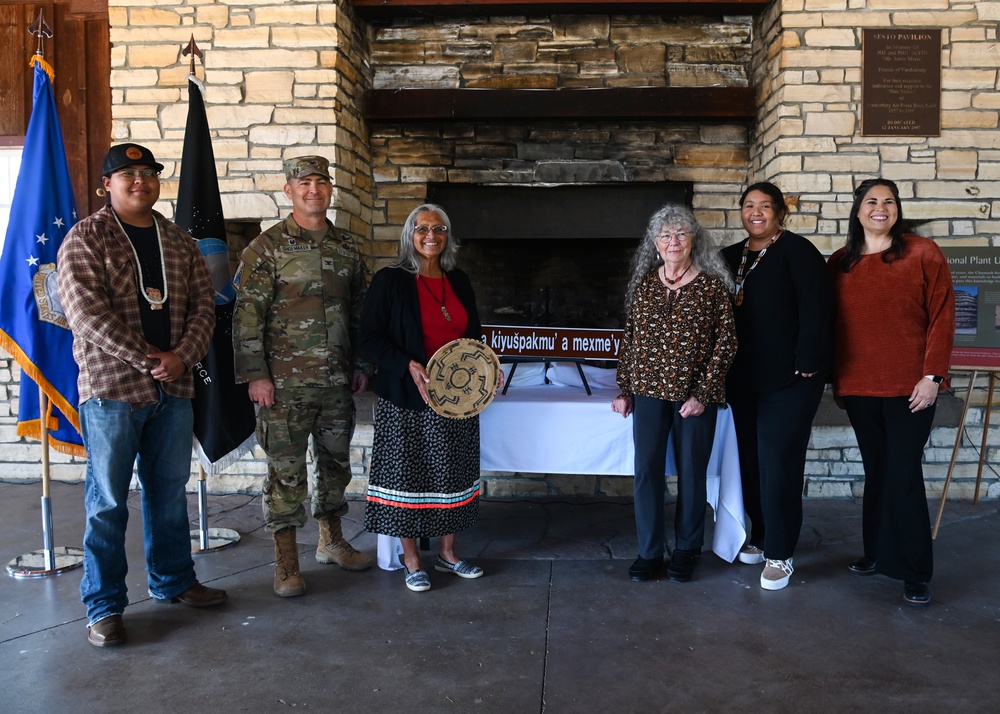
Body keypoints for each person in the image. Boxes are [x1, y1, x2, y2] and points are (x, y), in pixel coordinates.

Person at [58, 143, 227, 648]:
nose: (140, 182)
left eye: (148, 174)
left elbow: (205, 308)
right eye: (127, 174)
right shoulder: (85, 238)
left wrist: (181, 358)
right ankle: (104, 606)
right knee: (108, 501)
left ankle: (174, 581)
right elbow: (85, 314)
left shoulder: (178, 241)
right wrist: (149, 358)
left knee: (168, 493)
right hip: (112, 390)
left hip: (174, 387)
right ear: (105, 186)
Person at [233, 155, 373, 598]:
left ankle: (331, 541)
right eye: (304, 182)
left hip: (336, 382)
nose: (314, 189)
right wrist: (256, 376)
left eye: (321, 182)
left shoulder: (348, 248)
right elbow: (247, 316)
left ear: (330, 190)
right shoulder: (266, 248)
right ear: (289, 190)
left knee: (335, 467)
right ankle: (286, 561)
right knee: (286, 474)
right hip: (283, 385)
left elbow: (360, 312)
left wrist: (361, 365)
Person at [359, 204, 499, 592]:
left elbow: (475, 337)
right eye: (422, 228)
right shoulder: (390, 280)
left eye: (439, 228)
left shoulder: (460, 280)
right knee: (407, 476)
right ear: (410, 234)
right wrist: (406, 363)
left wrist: (488, 367)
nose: (431, 235)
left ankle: (449, 554)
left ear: (447, 235)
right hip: (406, 395)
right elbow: (369, 337)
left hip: (457, 397)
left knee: (452, 474)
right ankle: (412, 559)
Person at [829, 178, 954, 606]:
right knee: (878, 470)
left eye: (889, 201)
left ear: (898, 209)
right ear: (857, 210)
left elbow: (942, 315)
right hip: (860, 385)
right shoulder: (839, 263)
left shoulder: (923, 252)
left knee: (902, 473)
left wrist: (933, 376)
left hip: (911, 388)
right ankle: (877, 554)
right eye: (871, 201)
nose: (880, 208)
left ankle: (915, 571)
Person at [612, 204, 737, 583]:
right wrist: (625, 389)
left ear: (693, 239)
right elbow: (631, 341)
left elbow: (726, 344)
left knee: (692, 474)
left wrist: (703, 393)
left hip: (695, 398)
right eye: (665, 236)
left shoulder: (712, 286)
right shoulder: (645, 285)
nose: (673, 241)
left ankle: (686, 550)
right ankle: (649, 552)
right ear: (655, 243)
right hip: (648, 393)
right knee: (646, 472)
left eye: (681, 234)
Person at [721, 181, 833, 591]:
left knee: (778, 460)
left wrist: (809, 359)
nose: (756, 212)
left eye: (765, 206)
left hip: (791, 379)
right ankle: (763, 534)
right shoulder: (729, 257)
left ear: (780, 213)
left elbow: (817, 309)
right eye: (748, 206)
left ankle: (781, 553)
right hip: (743, 380)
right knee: (750, 460)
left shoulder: (798, 252)